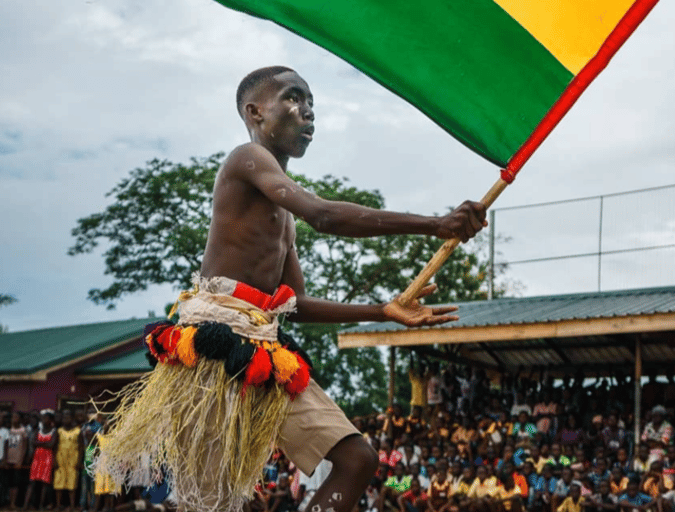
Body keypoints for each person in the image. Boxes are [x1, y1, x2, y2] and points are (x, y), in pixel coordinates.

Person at [94, 66, 487, 512]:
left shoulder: (284, 219)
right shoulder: (247, 157)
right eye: (295, 99)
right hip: (214, 347)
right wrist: (434, 224)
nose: (309, 114)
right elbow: (324, 214)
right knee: (210, 503)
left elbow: (292, 306)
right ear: (255, 112)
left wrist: (383, 311)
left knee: (356, 459)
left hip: (264, 349)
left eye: (313, 105)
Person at [23, 411, 57, 510]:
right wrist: (45, 443)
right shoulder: (39, 430)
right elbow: (33, 442)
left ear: (51, 420)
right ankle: (26, 505)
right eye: (42, 418)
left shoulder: (54, 431)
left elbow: (52, 445)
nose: (43, 420)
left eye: (45, 418)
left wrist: (39, 443)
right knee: (32, 482)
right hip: (37, 458)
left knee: (44, 483)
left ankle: (41, 505)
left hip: (47, 458)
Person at [53, 410, 82, 511]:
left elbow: (81, 447)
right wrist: (54, 460)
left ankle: (72, 506)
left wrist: (79, 461)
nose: (66, 419)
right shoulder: (59, 431)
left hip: (73, 460)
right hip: (60, 459)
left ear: (72, 419)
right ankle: (58, 505)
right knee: (58, 483)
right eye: (64, 417)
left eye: (68, 417)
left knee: (72, 483)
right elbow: (55, 446)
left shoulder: (78, 431)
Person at [6, 411, 29, 509]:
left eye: (16, 417)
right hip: (8, 459)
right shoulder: (8, 429)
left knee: (16, 483)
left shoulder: (23, 430)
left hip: (18, 459)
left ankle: (13, 503)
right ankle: (9, 502)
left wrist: (21, 459)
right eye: (13, 416)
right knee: (9, 482)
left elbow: (25, 447)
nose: (14, 418)